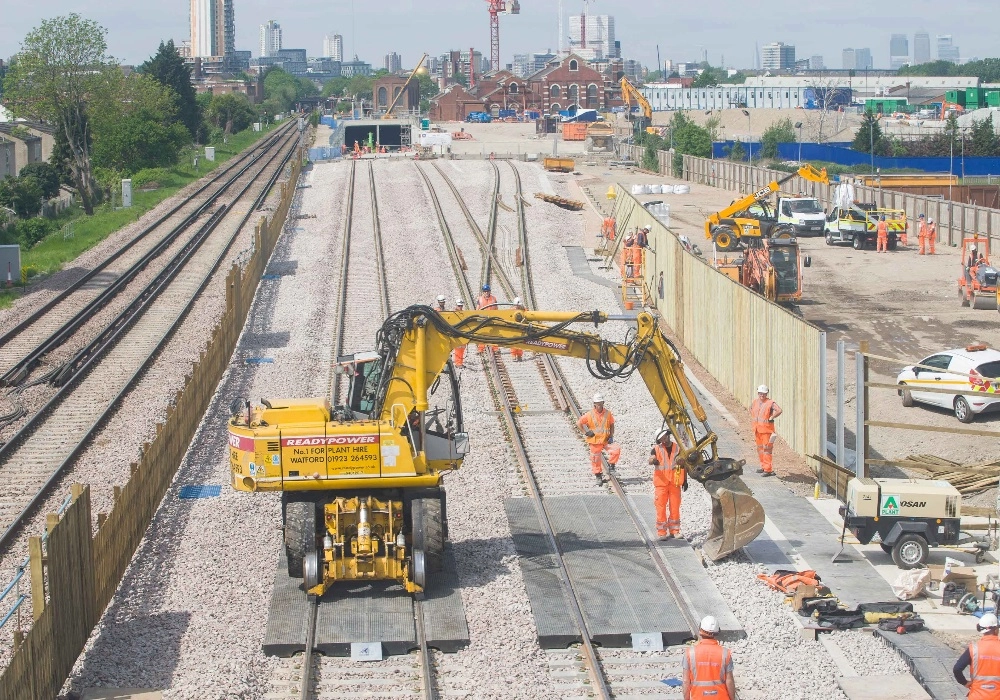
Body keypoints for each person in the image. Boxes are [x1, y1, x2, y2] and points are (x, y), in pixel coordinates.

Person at [683, 616, 737, 700]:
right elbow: (729, 680)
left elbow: (686, 681)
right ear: (717, 633)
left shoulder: (689, 653)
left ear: (700, 631)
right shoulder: (725, 653)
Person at [649, 429, 686, 539]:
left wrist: (685, 481)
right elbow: (651, 459)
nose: (663, 440)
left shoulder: (678, 448)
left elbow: (684, 465)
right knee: (660, 507)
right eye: (661, 439)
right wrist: (653, 460)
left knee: (675, 507)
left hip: (675, 483)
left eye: (664, 437)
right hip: (661, 483)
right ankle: (662, 533)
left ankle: (674, 531)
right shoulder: (656, 449)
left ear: (668, 435)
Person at [953, 612, 1000, 698]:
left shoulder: (974, 649)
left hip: (977, 696)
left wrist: (965, 683)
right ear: (996, 629)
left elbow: (957, 669)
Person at [577, 393, 617, 483]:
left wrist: (611, 436)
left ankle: (612, 467)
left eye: (601, 403)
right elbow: (579, 423)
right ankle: (598, 476)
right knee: (595, 459)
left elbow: (612, 424)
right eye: (597, 403)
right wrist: (585, 433)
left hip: (605, 440)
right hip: (595, 441)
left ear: (603, 403)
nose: (599, 405)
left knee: (616, 450)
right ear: (594, 404)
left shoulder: (608, 413)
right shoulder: (589, 414)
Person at [751, 385, 782, 477]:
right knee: (760, 449)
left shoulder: (770, 403)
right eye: (760, 393)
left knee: (767, 450)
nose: (762, 395)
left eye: (764, 394)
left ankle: (768, 469)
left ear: (766, 394)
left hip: (766, 431)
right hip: (757, 429)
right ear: (758, 393)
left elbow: (779, 410)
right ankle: (763, 466)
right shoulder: (755, 402)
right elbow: (751, 410)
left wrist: (772, 417)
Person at [476, 284, 498, 353]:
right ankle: (481, 349)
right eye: (485, 291)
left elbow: (497, 309)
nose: (486, 292)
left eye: (487, 291)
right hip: (483, 319)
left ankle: (495, 348)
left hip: (492, 318)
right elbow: (477, 309)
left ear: (489, 291)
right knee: (482, 334)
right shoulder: (479, 299)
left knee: (494, 333)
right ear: (483, 292)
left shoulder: (494, 298)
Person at [510, 297, 525, 362]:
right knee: (513, 342)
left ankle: (519, 355)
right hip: (514, 327)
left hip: (521, 328)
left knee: (521, 342)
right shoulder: (511, 310)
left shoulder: (524, 310)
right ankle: (513, 355)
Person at [452, 299, 466, 368]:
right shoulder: (454, 313)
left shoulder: (463, 313)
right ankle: (458, 363)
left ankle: (460, 362)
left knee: (462, 348)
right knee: (458, 348)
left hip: (462, 333)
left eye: (461, 306)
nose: (460, 307)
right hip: (457, 333)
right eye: (459, 306)